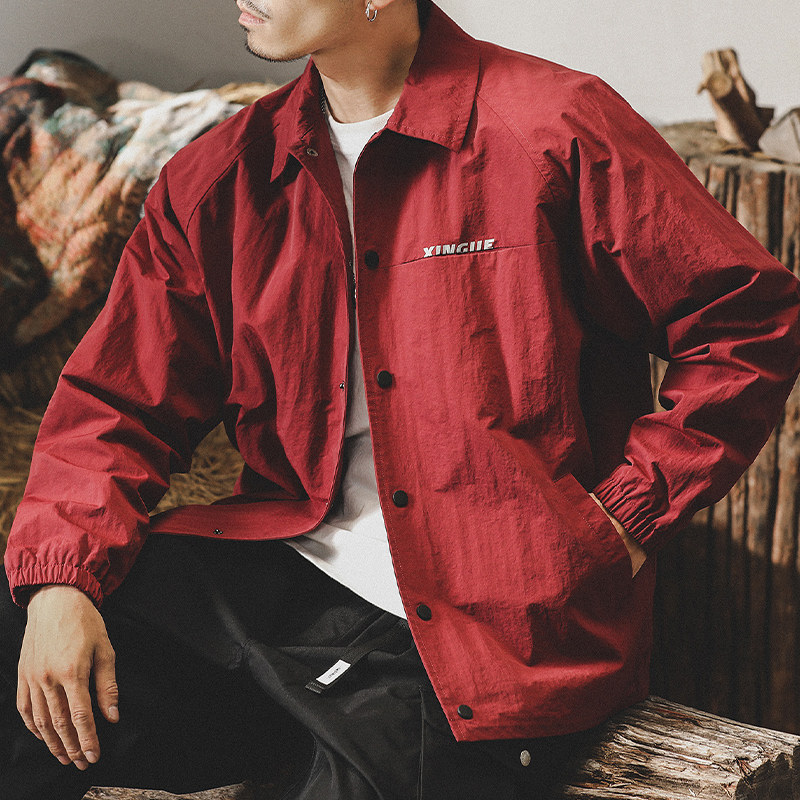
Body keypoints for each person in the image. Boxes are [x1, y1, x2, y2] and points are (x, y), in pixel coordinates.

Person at [2, 0, 800, 798]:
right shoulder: (223, 174)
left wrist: (627, 513)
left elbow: (746, 322)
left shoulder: (554, 126)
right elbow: (117, 403)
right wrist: (61, 581)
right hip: (281, 572)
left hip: (486, 631)